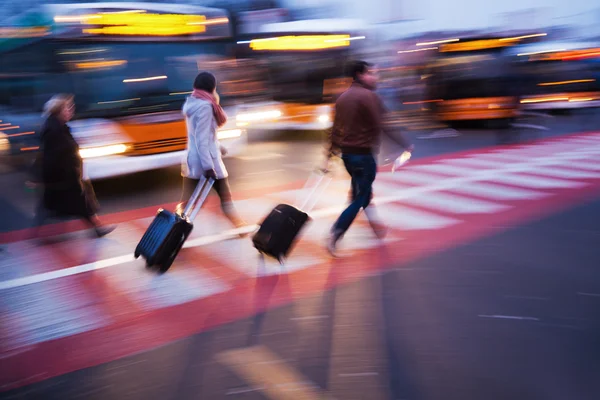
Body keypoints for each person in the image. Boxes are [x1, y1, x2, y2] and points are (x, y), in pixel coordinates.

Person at [322, 61, 414, 257]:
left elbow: (334, 131)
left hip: (347, 156)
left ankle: (376, 228)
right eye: (371, 73)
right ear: (360, 75)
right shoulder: (369, 97)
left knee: (361, 193)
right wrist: (404, 144)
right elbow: (383, 125)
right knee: (360, 197)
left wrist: (329, 156)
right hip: (363, 156)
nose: (375, 77)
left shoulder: (342, 98)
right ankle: (336, 233)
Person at [31, 94, 115, 238]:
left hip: (63, 175)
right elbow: (55, 156)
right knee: (78, 202)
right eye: (68, 108)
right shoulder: (54, 130)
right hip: (63, 176)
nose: (71, 110)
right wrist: (71, 172)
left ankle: (37, 229)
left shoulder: (58, 126)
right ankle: (97, 228)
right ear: (58, 111)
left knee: (55, 204)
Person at [177, 72, 247, 233]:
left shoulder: (192, 102)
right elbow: (202, 139)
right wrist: (209, 167)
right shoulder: (206, 107)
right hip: (207, 161)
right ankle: (238, 225)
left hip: (192, 160)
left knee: (188, 199)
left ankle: (174, 227)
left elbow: (203, 135)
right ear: (212, 87)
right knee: (224, 194)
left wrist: (219, 146)